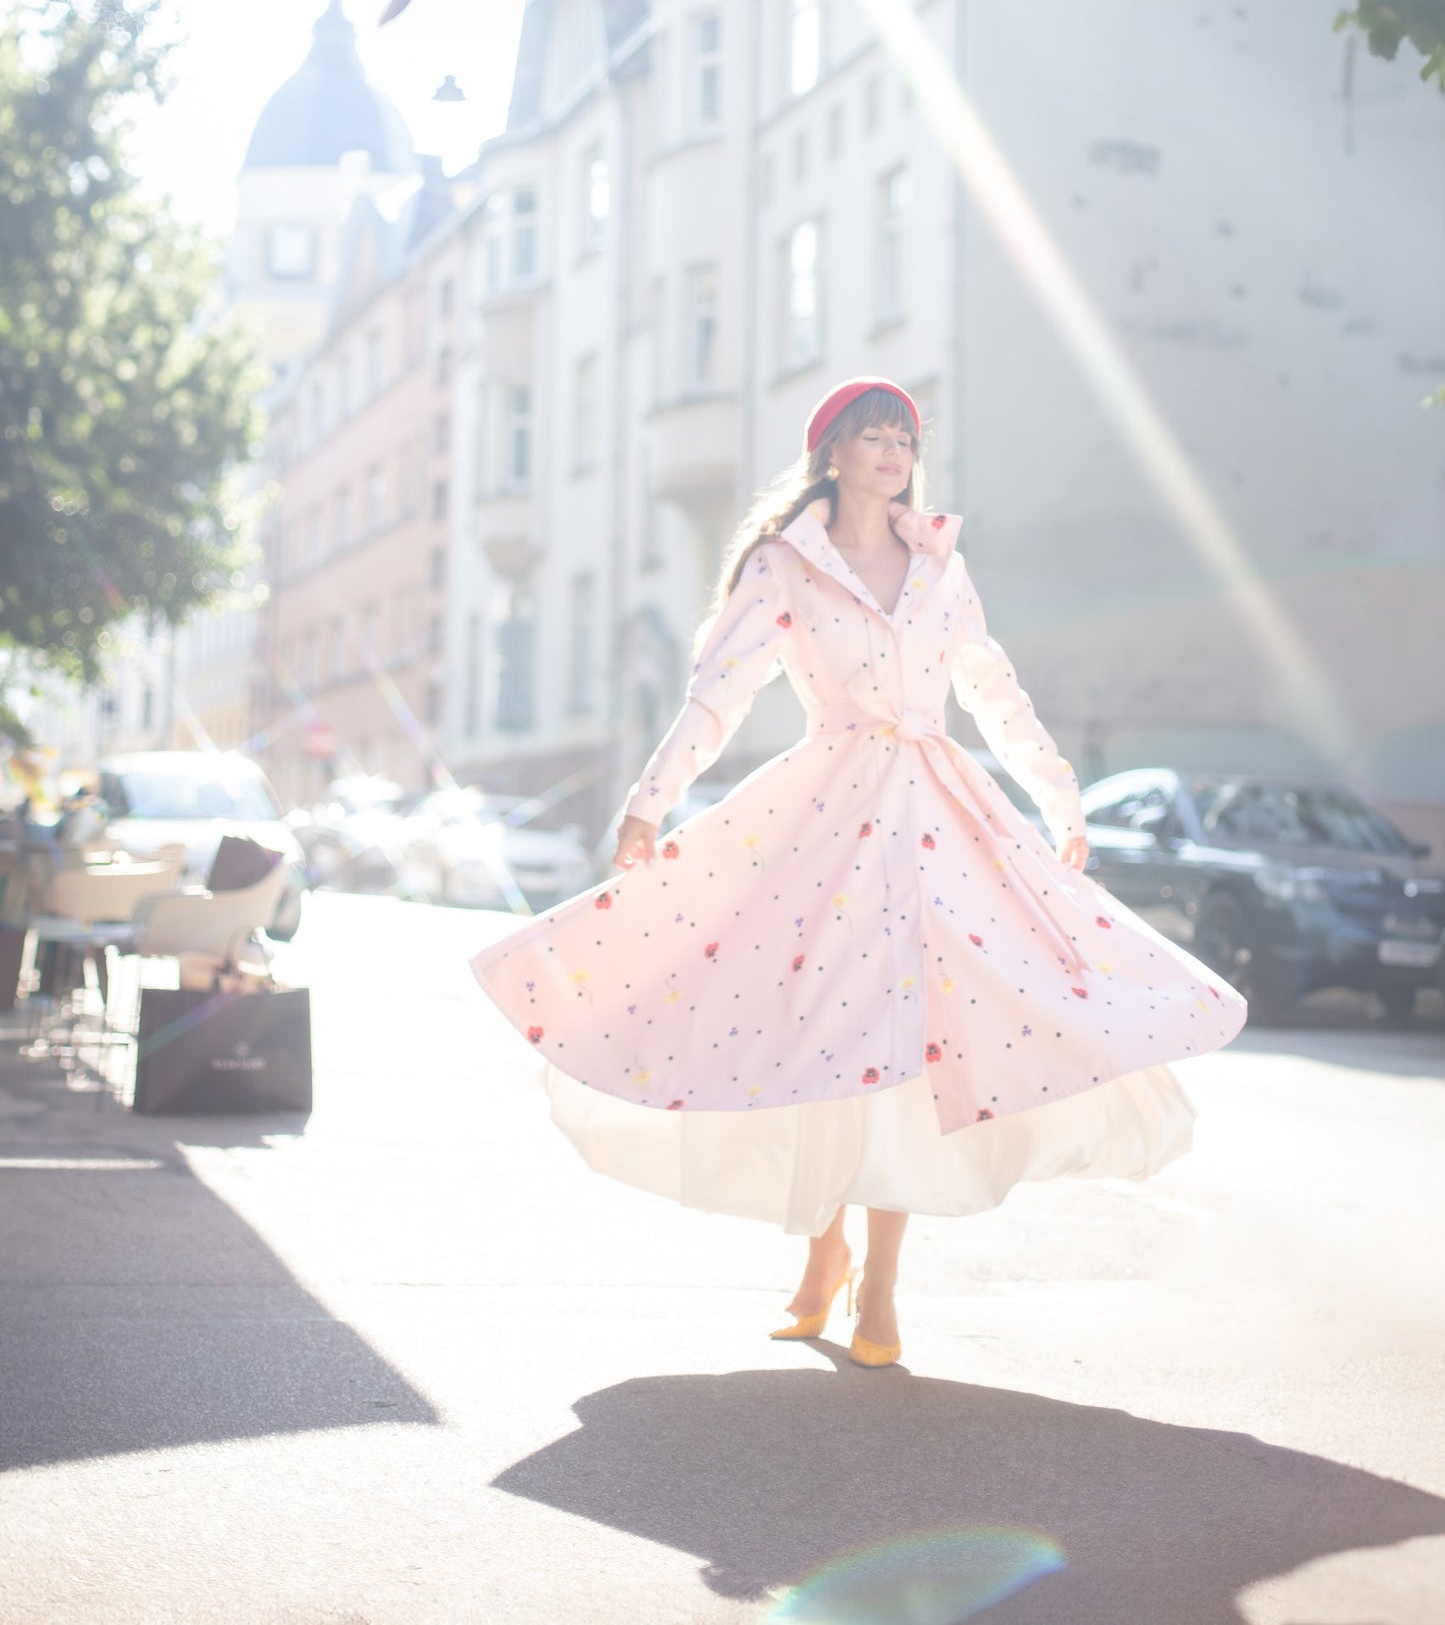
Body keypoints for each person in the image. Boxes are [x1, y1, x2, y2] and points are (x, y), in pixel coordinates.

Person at [471, 377, 1248, 1368]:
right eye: (872, 435)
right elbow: (719, 692)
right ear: (831, 452)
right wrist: (648, 798)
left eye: (904, 437)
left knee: (916, 1045)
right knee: (814, 1032)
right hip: (824, 821)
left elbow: (992, 689)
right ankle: (823, 1248)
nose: (891, 450)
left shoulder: (939, 565)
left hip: (938, 821)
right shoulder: (782, 564)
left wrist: (1060, 798)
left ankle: (878, 1279)